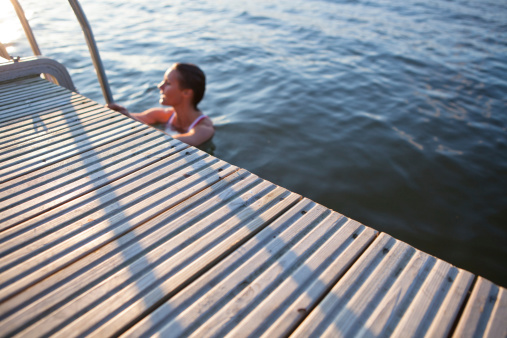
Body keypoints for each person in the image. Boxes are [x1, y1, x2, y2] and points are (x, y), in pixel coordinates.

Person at [107, 63, 214, 147]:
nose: (160, 86)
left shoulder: (204, 129)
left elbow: (174, 143)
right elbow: (135, 117)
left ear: (186, 93)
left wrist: (129, 117)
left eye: (168, 83)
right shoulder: (161, 114)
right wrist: (119, 114)